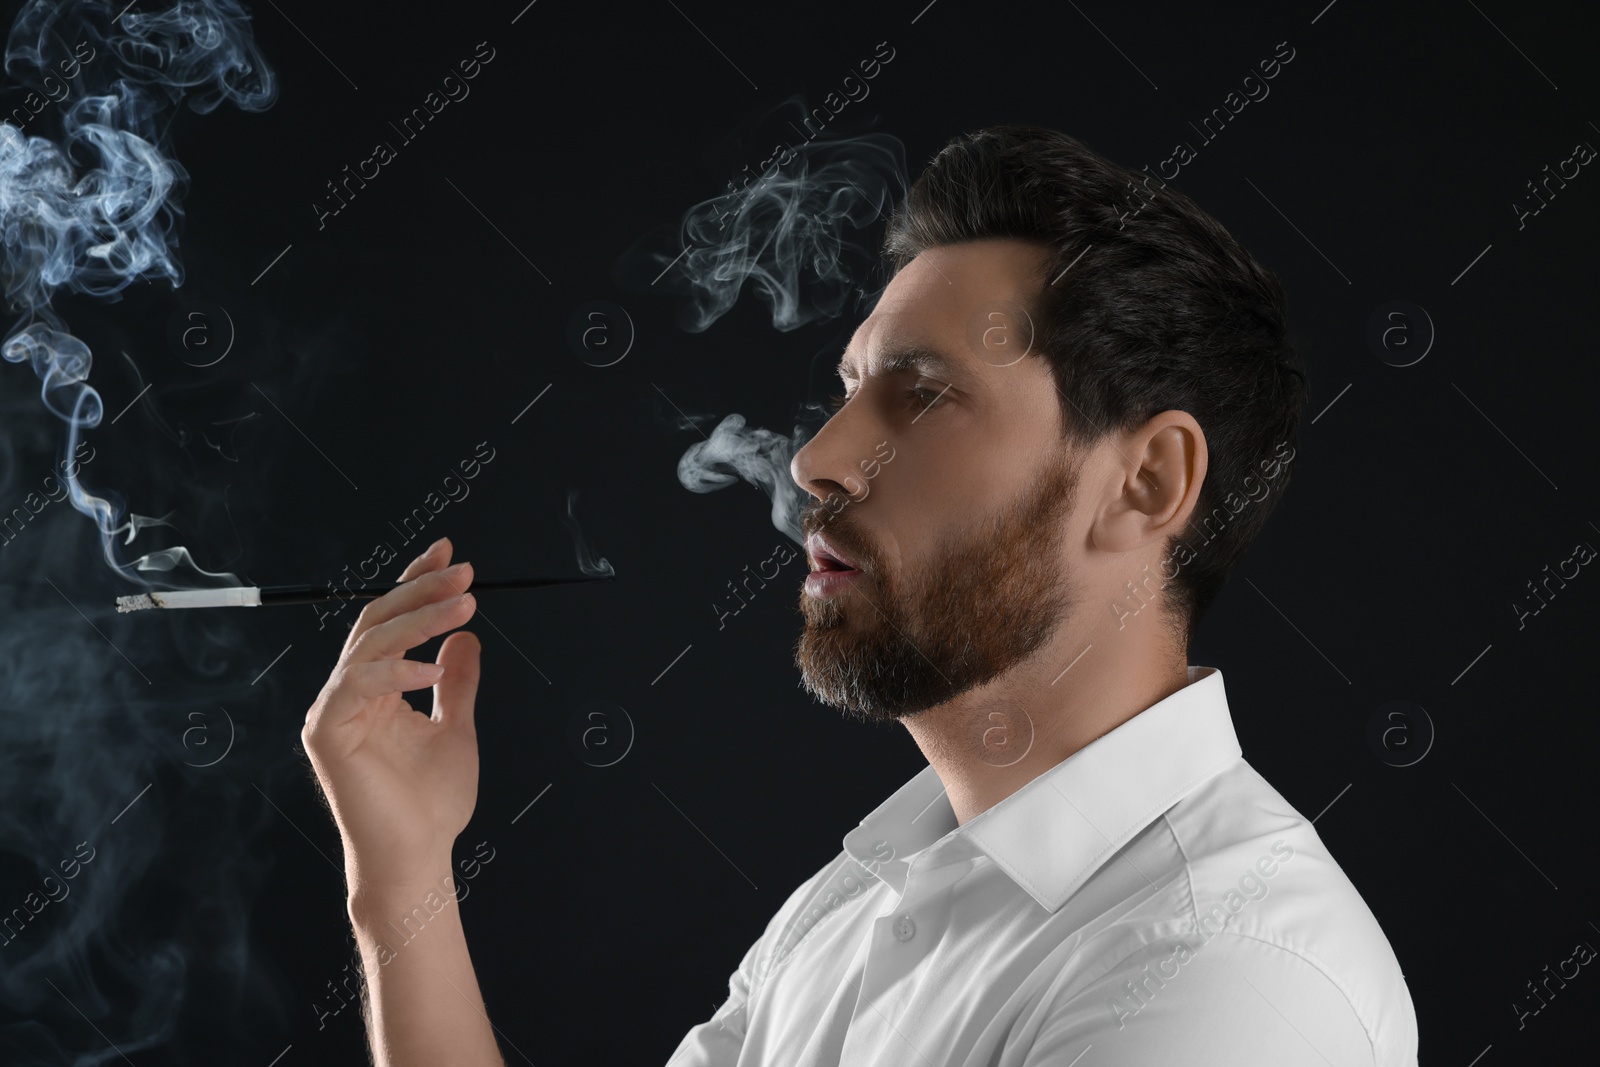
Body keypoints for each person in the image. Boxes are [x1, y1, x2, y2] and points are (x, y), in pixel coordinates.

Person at [302, 125, 1419, 1066]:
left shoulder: (1224, 977)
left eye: (922, 397)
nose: (816, 460)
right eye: (846, 390)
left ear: (1146, 481)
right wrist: (399, 872)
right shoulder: (860, 904)